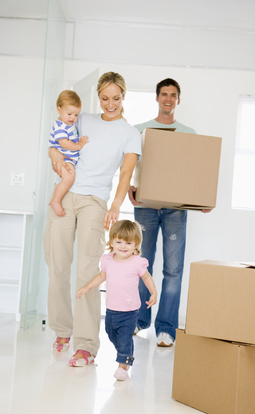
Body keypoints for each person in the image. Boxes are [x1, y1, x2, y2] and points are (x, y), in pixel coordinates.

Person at [43, 72, 141, 367]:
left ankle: (86, 345)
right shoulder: (83, 119)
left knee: (87, 271)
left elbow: (125, 173)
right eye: (105, 98)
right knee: (58, 265)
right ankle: (62, 330)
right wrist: (53, 157)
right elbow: (55, 143)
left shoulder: (129, 133)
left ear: (124, 97)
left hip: (95, 202)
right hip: (66, 194)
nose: (110, 104)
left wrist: (115, 205)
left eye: (116, 98)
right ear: (98, 96)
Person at [128, 78, 211, 347]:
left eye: (173, 95)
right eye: (164, 94)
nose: (168, 98)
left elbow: (196, 172)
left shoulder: (188, 132)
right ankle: (140, 320)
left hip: (175, 211)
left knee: (173, 271)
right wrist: (130, 187)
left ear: (178, 100)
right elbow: (129, 167)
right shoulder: (140, 131)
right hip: (146, 208)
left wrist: (203, 200)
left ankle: (166, 329)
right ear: (157, 98)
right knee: (141, 266)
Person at [76, 220, 157, 380]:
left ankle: (123, 365)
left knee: (125, 338)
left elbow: (147, 278)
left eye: (128, 242)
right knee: (111, 334)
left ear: (136, 244)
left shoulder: (137, 263)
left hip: (130, 311)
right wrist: (87, 287)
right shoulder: (107, 260)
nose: (123, 246)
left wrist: (153, 292)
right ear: (111, 241)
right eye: (118, 241)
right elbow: (101, 276)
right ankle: (125, 352)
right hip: (111, 310)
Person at [49, 90, 89, 217]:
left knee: (69, 178)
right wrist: (79, 145)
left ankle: (56, 200)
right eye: (69, 113)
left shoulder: (68, 123)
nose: (73, 118)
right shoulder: (60, 126)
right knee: (69, 178)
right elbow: (64, 144)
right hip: (64, 158)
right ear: (59, 110)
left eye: (76, 114)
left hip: (68, 159)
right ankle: (56, 200)